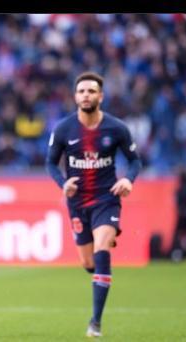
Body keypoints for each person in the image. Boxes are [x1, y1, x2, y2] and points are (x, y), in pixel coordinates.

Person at [46, 71, 141, 338]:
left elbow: (135, 160)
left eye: (91, 91)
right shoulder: (64, 129)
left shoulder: (117, 128)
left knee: (101, 251)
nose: (86, 95)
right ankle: (100, 266)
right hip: (77, 202)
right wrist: (62, 183)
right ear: (75, 96)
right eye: (81, 91)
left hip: (106, 199)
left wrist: (128, 180)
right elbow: (50, 163)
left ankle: (95, 322)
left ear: (101, 96)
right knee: (89, 263)